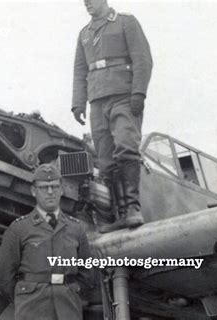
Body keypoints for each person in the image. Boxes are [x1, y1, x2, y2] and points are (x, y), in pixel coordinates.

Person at [72, 0, 153, 232]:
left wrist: (138, 92)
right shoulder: (84, 34)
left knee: (126, 147)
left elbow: (143, 59)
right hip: (97, 101)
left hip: (123, 96)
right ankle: (117, 216)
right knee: (105, 161)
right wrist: (78, 103)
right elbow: (79, 71)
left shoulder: (126, 22)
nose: (86, 3)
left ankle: (133, 209)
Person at [0, 163, 92, 320]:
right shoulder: (19, 229)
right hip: (32, 310)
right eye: (44, 187)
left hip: (68, 309)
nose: (50, 192)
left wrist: (72, 291)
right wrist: (24, 295)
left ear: (61, 190)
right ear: (33, 191)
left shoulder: (76, 229)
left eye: (54, 186)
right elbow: (1, 279)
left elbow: (87, 274)